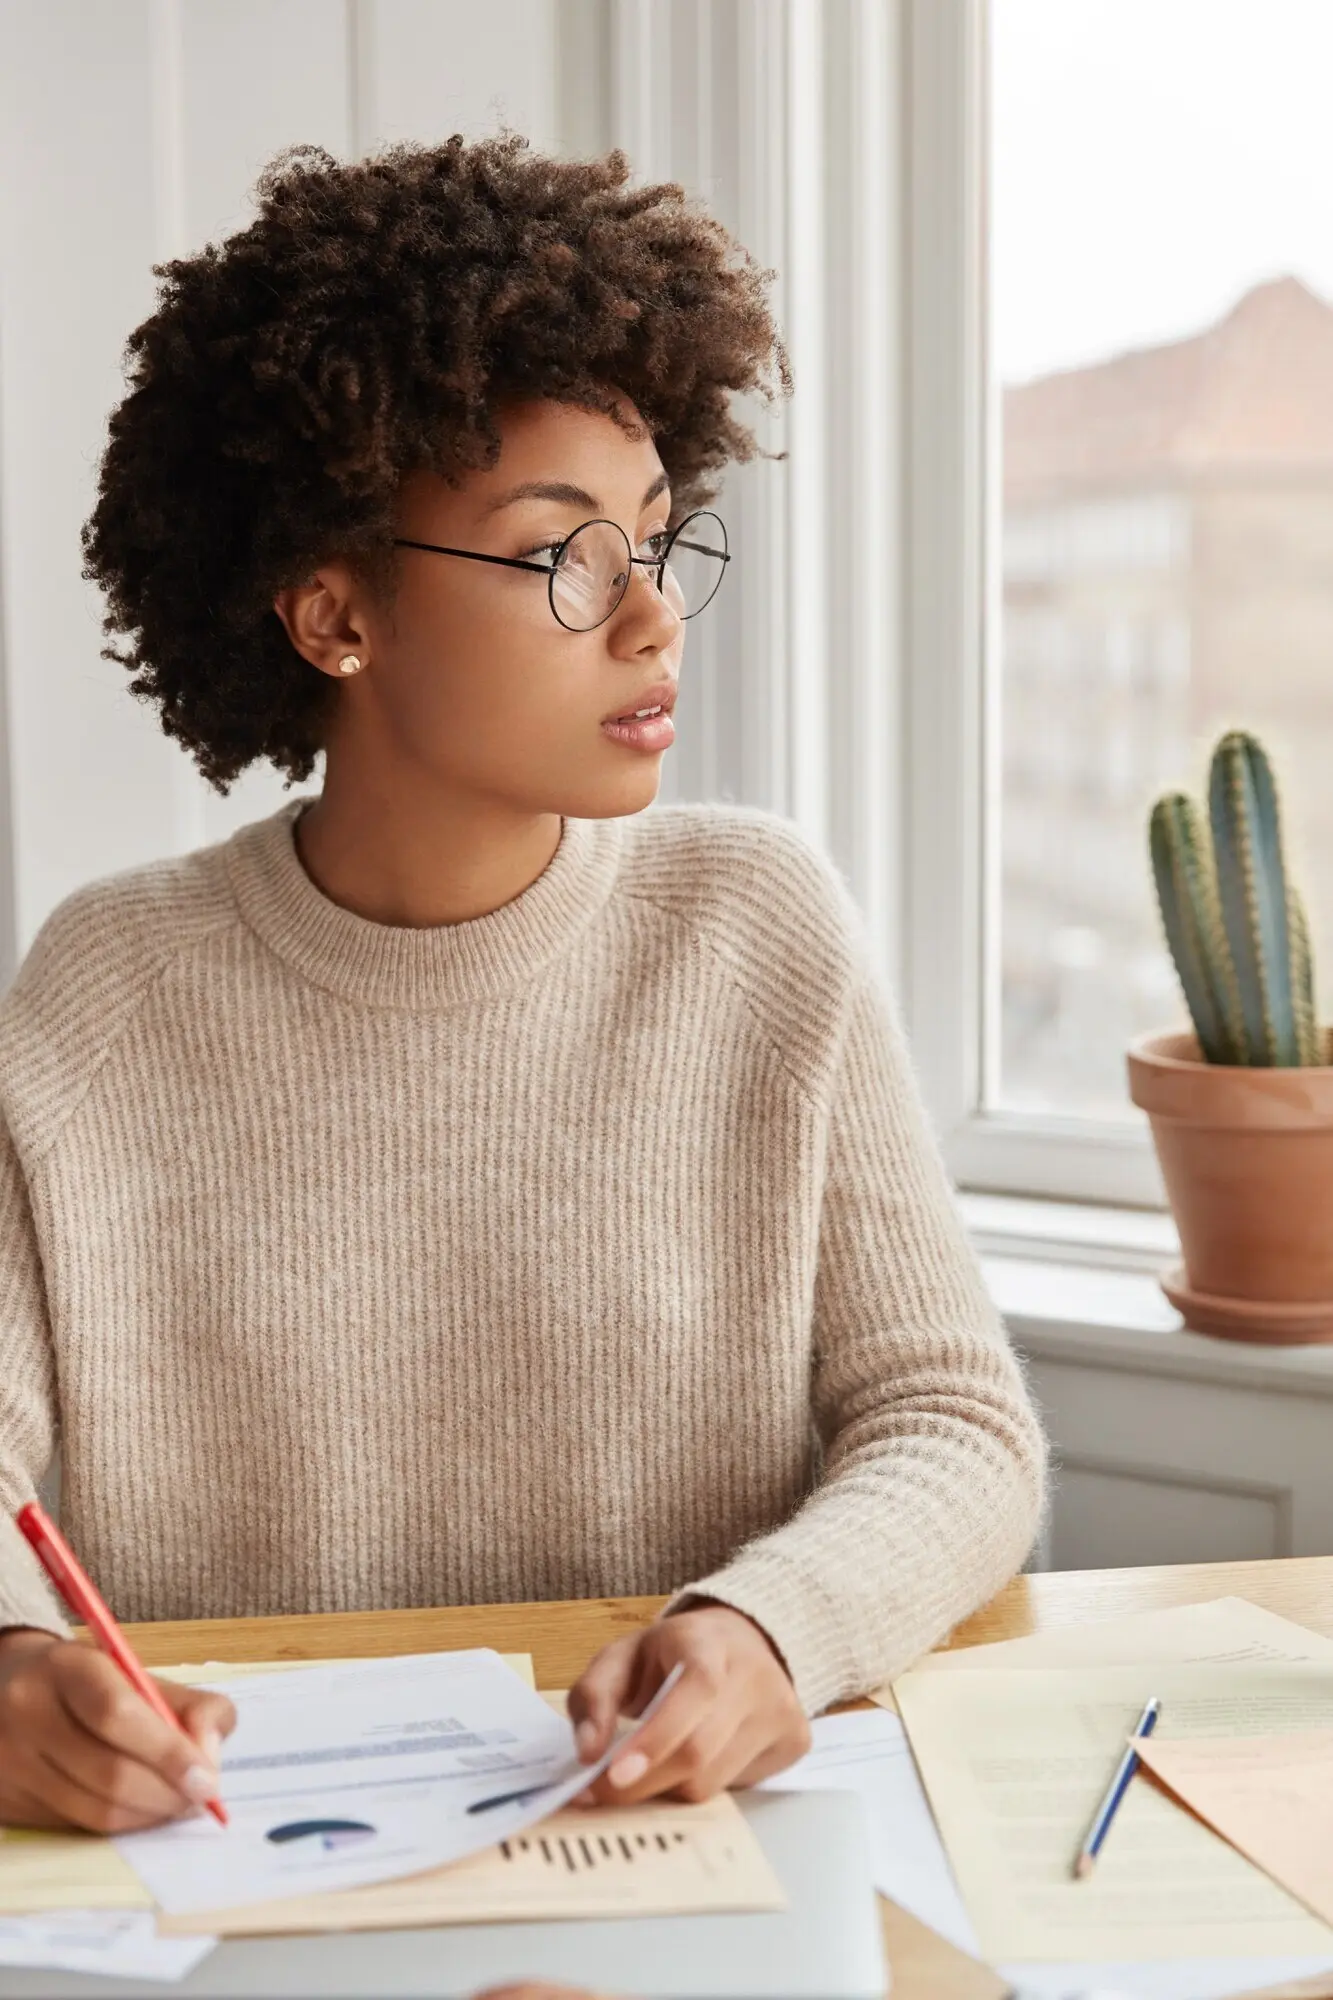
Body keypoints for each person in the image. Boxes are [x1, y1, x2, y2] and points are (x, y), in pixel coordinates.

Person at [0, 133, 1045, 1836]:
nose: (654, 621)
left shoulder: (753, 925)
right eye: (567, 559)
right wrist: (12, 1665)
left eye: (659, 539)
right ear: (335, 613)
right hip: (238, 1860)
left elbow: (951, 1423)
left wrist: (768, 1627)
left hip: (684, 1848)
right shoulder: (109, 987)